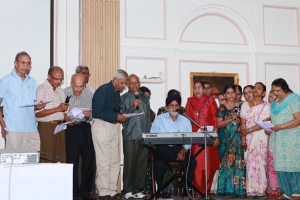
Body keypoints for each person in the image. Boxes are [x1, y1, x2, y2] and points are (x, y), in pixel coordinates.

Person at [91, 69, 128, 200]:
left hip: (113, 126)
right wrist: (116, 115)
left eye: (125, 84)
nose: (124, 86)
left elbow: (114, 111)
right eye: (122, 83)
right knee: (104, 161)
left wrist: (121, 115)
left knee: (115, 161)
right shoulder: (103, 90)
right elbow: (96, 112)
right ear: (115, 80)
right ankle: (103, 193)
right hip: (101, 125)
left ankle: (112, 191)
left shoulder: (116, 93)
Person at [151, 94, 196, 197]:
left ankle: (185, 188)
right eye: (171, 105)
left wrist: (184, 151)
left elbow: (189, 139)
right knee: (158, 165)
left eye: (176, 105)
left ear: (179, 107)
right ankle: (161, 190)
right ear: (167, 107)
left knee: (192, 162)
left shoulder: (185, 120)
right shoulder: (159, 119)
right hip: (163, 150)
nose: (174, 108)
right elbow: (153, 135)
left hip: (179, 149)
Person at [0, 51, 45, 150]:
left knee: (33, 160)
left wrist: (38, 106)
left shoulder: (33, 82)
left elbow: (32, 105)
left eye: (28, 63)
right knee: (14, 162)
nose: (26, 66)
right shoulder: (6, 80)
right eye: (23, 63)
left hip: (32, 128)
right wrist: (2, 125)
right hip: (13, 129)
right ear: (15, 63)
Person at [184, 81, 219, 196]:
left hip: (209, 137)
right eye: (195, 88)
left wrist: (216, 135)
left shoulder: (210, 100)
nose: (197, 90)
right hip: (195, 139)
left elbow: (215, 119)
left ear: (204, 90)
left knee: (209, 165)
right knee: (197, 165)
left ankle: (206, 191)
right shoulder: (190, 101)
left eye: (199, 88)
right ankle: (197, 192)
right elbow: (185, 118)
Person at [268, 78, 300, 200]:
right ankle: (287, 192)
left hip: (292, 136)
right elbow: (274, 119)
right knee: (280, 165)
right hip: (278, 137)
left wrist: (281, 126)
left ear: (284, 88)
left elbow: (298, 119)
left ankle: (297, 192)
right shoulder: (276, 102)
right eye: (273, 90)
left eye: (277, 90)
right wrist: (269, 127)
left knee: (293, 163)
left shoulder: (294, 99)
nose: (275, 93)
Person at [120, 74, 151, 199]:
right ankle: (127, 190)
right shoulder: (123, 98)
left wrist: (149, 134)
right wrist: (133, 107)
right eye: (131, 83)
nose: (134, 85)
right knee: (130, 163)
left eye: (136, 82)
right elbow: (121, 116)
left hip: (143, 135)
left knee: (141, 163)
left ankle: (137, 189)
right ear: (127, 85)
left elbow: (148, 116)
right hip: (130, 135)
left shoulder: (144, 97)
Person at [64, 74, 94, 200]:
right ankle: (73, 191)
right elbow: (60, 112)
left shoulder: (88, 94)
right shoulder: (64, 93)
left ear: (84, 85)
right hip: (71, 128)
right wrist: (65, 117)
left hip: (85, 127)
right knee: (72, 160)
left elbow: (93, 115)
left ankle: (85, 190)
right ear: (71, 84)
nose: (78, 90)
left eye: (81, 86)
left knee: (88, 159)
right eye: (76, 86)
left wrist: (88, 115)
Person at [240, 82, 270, 198]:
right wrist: (243, 139)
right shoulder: (245, 105)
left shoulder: (267, 106)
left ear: (263, 93)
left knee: (262, 162)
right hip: (248, 138)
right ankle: (251, 189)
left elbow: (265, 122)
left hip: (262, 137)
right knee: (250, 162)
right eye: (255, 88)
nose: (256, 90)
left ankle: (262, 189)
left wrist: (249, 130)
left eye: (259, 88)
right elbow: (243, 124)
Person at [216, 85, 246, 197]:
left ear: (236, 93)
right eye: (228, 93)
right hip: (225, 139)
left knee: (238, 164)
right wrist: (230, 119)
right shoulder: (221, 109)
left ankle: (239, 190)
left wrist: (239, 121)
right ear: (224, 95)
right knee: (226, 165)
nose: (231, 95)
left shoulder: (242, 106)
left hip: (237, 138)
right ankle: (227, 190)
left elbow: (245, 122)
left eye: (232, 92)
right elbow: (218, 124)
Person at [36, 66, 68, 163]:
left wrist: (70, 119)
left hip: (60, 127)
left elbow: (63, 112)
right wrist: (57, 109)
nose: (58, 81)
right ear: (49, 76)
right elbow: (38, 114)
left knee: (60, 158)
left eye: (61, 79)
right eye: (56, 79)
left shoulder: (61, 91)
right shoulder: (41, 89)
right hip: (46, 127)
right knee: (47, 157)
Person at [266, 90, 282, 198]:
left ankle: (282, 190)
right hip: (272, 140)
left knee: (280, 165)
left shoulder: (282, 109)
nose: (271, 95)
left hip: (282, 140)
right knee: (271, 165)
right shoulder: (268, 108)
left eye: (274, 93)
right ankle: (273, 189)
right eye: (270, 93)